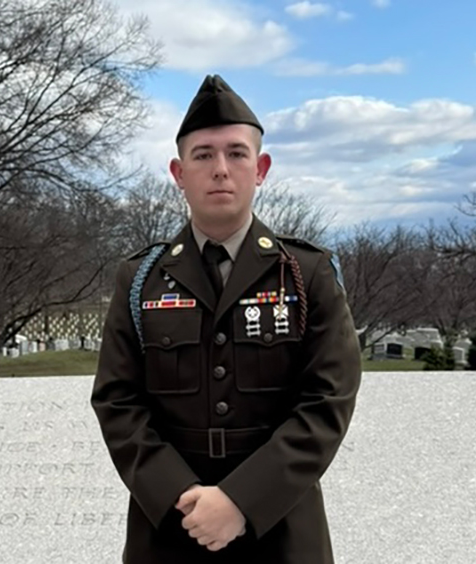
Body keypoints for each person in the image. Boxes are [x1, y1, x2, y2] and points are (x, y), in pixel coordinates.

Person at [90, 74, 362, 563]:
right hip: (170, 530)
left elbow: (327, 402)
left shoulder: (307, 274)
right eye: (203, 155)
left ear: (261, 169)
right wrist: (184, 495)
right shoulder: (138, 279)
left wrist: (240, 501)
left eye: (236, 154)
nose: (221, 169)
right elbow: (117, 401)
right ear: (178, 173)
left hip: (282, 530)